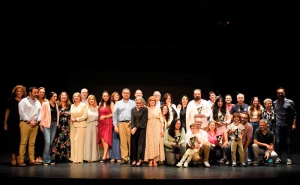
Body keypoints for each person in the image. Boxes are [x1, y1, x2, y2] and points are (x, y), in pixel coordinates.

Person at [18, 87, 41, 167]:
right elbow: (22, 112)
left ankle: (32, 159)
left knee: (32, 143)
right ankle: (21, 160)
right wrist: (29, 121)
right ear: (30, 92)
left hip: (35, 124)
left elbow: (40, 112)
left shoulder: (37, 102)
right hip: (25, 123)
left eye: (37, 92)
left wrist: (37, 121)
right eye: (35, 92)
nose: (36, 94)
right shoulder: (23, 101)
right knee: (23, 142)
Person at [3, 85, 26, 166]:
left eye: (21, 91)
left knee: (20, 140)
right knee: (13, 140)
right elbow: (7, 111)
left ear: (23, 92)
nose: (19, 92)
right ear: (15, 92)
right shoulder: (11, 100)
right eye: (18, 91)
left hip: (22, 122)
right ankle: (13, 157)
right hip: (12, 122)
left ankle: (19, 156)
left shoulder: (24, 100)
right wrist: (5, 122)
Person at [273, 87, 297, 165]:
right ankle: (279, 157)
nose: (280, 94)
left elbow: (295, 114)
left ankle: (289, 158)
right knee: (278, 142)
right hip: (278, 125)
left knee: (288, 142)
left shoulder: (290, 102)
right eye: (279, 93)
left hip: (287, 125)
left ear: (284, 93)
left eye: (282, 93)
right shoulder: (274, 103)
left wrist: (294, 124)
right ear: (277, 94)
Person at [113, 88, 136, 164]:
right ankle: (124, 158)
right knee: (123, 141)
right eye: (125, 93)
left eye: (128, 93)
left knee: (131, 141)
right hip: (121, 123)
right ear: (122, 94)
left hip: (130, 123)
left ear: (130, 94)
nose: (126, 94)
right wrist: (115, 126)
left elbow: (136, 114)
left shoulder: (133, 103)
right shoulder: (118, 103)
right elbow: (115, 115)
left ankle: (132, 157)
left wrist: (132, 121)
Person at [40, 92, 59, 165]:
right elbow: (42, 114)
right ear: (51, 97)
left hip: (54, 124)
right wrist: (41, 125)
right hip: (46, 124)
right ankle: (45, 160)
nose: (55, 98)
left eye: (56, 96)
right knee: (47, 142)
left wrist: (57, 124)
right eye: (54, 96)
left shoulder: (56, 104)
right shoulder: (45, 104)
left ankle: (49, 159)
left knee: (50, 142)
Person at [51, 91, 71, 163]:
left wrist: (67, 113)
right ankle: (57, 156)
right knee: (58, 140)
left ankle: (64, 156)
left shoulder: (70, 105)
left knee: (66, 140)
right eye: (62, 95)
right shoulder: (56, 105)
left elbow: (72, 114)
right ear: (60, 97)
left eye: (65, 95)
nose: (64, 97)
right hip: (58, 125)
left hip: (66, 126)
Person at [144, 96, 164, 166]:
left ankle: (155, 159)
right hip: (149, 127)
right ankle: (150, 159)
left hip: (157, 127)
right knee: (150, 143)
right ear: (148, 102)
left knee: (156, 143)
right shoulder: (146, 109)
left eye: (153, 101)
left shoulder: (158, 109)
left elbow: (161, 119)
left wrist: (162, 129)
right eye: (151, 101)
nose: (152, 102)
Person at [70, 92, 88, 164]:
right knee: (73, 142)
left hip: (81, 125)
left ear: (80, 97)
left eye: (77, 96)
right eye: (75, 96)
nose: (76, 97)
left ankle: (78, 158)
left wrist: (76, 119)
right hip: (72, 126)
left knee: (78, 142)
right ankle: (73, 157)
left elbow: (85, 116)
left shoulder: (83, 105)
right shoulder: (72, 106)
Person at [130, 97, 148, 167]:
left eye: (140, 103)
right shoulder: (133, 109)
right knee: (133, 144)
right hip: (134, 129)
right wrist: (132, 128)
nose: (138, 104)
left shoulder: (145, 109)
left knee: (140, 145)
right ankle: (134, 159)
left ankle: (139, 160)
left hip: (141, 129)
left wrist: (136, 128)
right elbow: (132, 119)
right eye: (137, 103)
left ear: (143, 103)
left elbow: (143, 121)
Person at [83, 94, 100, 162]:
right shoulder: (85, 107)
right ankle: (87, 157)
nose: (91, 100)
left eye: (92, 99)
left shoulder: (97, 107)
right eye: (90, 99)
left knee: (94, 141)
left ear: (94, 100)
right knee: (87, 141)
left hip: (95, 125)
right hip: (88, 125)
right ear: (88, 100)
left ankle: (94, 157)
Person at [98, 91, 114, 162]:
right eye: (104, 96)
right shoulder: (100, 104)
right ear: (102, 96)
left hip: (108, 123)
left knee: (106, 139)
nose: (105, 97)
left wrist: (105, 116)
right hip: (101, 124)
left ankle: (104, 156)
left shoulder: (111, 103)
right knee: (103, 139)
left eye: (107, 96)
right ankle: (107, 156)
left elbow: (113, 114)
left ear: (109, 97)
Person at [247, 96, 264, 162]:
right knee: (250, 141)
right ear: (252, 101)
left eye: (257, 101)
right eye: (254, 101)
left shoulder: (261, 107)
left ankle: (259, 157)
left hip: (258, 124)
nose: (255, 102)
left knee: (258, 140)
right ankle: (250, 157)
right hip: (251, 123)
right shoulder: (249, 108)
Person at [109, 91, 122, 163]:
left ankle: (119, 156)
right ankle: (113, 156)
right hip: (114, 123)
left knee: (120, 140)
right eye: (115, 95)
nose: (116, 96)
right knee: (114, 140)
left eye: (117, 95)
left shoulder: (121, 103)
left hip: (121, 122)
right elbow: (114, 113)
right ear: (112, 97)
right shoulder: (111, 103)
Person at [35, 87, 47, 163]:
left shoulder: (46, 101)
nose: (42, 93)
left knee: (42, 140)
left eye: (43, 92)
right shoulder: (35, 101)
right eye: (40, 92)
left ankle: (41, 156)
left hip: (44, 123)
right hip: (36, 122)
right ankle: (36, 156)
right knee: (36, 140)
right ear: (38, 92)